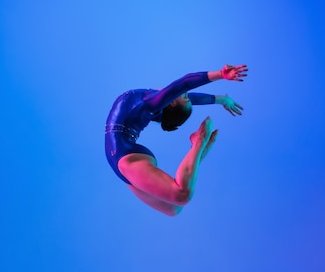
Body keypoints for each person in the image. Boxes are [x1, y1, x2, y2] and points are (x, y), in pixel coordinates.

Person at [105, 64, 248, 216]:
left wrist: (220, 74)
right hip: (122, 160)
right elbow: (190, 96)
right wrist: (221, 99)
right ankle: (198, 151)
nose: (186, 93)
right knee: (173, 209)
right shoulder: (157, 106)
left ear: (172, 102)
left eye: (184, 96)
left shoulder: (151, 102)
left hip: (125, 157)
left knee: (181, 197)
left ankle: (198, 143)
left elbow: (185, 82)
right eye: (186, 97)